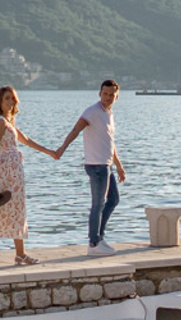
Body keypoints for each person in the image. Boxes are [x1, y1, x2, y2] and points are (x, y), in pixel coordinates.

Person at [0, 86, 55, 266]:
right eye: (7, 99)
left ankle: (19, 254)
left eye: (12, 99)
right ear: (0, 102)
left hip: (15, 173)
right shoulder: (0, 122)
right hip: (6, 173)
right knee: (4, 211)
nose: (10, 102)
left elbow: (26, 140)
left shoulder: (9, 122)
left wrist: (50, 152)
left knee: (17, 211)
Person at [54, 79, 129, 255]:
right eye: (105, 94)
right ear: (99, 94)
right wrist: (62, 149)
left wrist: (119, 166)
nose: (108, 97)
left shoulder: (108, 114)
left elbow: (110, 142)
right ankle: (94, 244)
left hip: (106, 165)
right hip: (97, 165)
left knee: (113, 200)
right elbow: (75, 130)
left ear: (117, 96)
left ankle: (99, 237)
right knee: (98, 204)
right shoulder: (93, 112)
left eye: (112, 95)